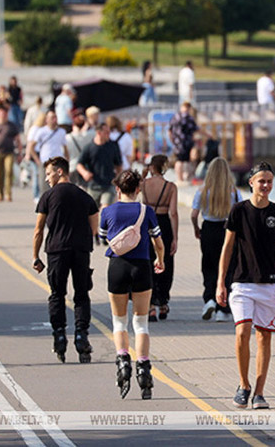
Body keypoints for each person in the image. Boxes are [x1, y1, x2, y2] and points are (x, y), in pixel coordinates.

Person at [217, 161, 275, 410]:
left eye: (269, 181)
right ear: (251, 183)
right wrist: (220, 283)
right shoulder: (238, 210)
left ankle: (259, 392)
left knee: (264, 337)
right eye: (262, 181)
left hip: (269, 284)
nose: (266, 185)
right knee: (242, 332)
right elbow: (227, 248)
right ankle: (243, 385)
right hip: (241, 283)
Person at [99, 170, 165, 399]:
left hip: (117, 267)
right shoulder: (146, 211)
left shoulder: (108, 211)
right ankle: (144, 369)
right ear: (138, 189)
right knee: (141, 322)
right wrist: (160, 259)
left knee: (119, 321)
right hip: (141, 268)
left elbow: (103, 237)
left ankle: (123, 361)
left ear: (117, 189)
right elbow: (158, 242)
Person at [32, 157, 99, 363]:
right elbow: (94, 228)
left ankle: (59, 336)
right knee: (81, 295)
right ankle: (81, 336)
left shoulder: (48, 197)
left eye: (49, 173)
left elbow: (38, 230)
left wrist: (35, 256)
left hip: (56, 251)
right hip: (80, 251)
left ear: (60, 171)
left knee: (57, 294)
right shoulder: (85, 197)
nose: (47, 178)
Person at [192, 157, 241, 322]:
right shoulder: (234, 192)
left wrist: (196, 228)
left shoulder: (202, 191)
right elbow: (241, 213)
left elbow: (193, 214)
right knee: (228, 268)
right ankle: (223, 308)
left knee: (209, 266)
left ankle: (209, 299)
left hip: (208, 229)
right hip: (228, 230)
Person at [141, 155, 178, 322]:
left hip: (148, 223)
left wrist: (143, 176)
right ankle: (163, 302)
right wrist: (175, 237)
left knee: (148, 262)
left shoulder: (144, 184)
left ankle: (150, 306)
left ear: (151, 167)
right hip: (164, 224)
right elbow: (173, 213)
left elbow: (133, 193)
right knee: (165, 263)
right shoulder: (170, 187)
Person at [76, 123, 123, 214]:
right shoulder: (89, 147)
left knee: (106, 208)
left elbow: (118, 165)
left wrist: (119, 180)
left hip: (109, 184)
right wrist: (85, 173)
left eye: (109, 132)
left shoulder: (113, 146)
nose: (109, 135)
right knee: (91, 212)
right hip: (93, 185)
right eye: (106, 132)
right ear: (99, 133)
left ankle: (103, 222)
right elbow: (79, 164)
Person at [27, 110, 69, 201]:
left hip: (58, 161)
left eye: (55, 117)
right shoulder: (41, 131)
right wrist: (37, 160)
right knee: (44, 184)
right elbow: (31, 146)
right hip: (45, 161)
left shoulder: (61, 131)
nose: (54, 120)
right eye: (52, 118)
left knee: (59, 184)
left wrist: (67, 161)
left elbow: (65, 148)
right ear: (47, 119)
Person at [169, 102, 203, 184]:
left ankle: (179, 178)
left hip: (177, 143)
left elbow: (169, 131)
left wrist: (172, 141)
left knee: (179, 160)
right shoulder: (188, 118)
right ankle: (184, 178)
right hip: (185, 143)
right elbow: (196, 129)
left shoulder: (175, 117)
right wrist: (208, 135)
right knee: (184, 161)